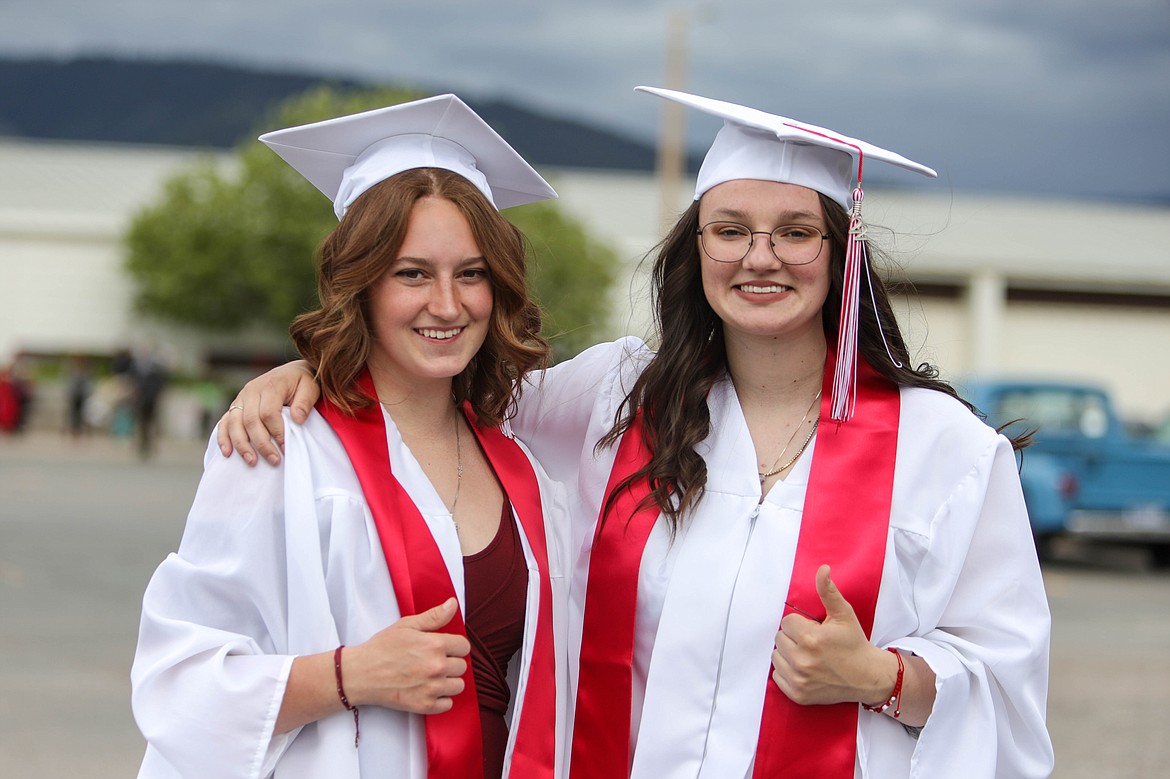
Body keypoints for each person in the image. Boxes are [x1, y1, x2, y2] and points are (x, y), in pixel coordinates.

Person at [220, 86, 1054, 778]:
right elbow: (439, 394)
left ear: (840, 254)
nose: (759, 257)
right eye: (729, 229)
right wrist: (313, 375)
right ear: (696, 249)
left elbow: (1008, 684)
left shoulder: (943, 450)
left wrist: (882, 676)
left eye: (797, 232)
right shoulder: (612, 399)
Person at [132, 94, 569, 779]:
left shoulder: (525, 449)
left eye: (472, 273)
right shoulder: (279, 448)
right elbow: (177, 680)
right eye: (412, 273)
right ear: (359, 283)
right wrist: (348, 674)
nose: (448, 304)